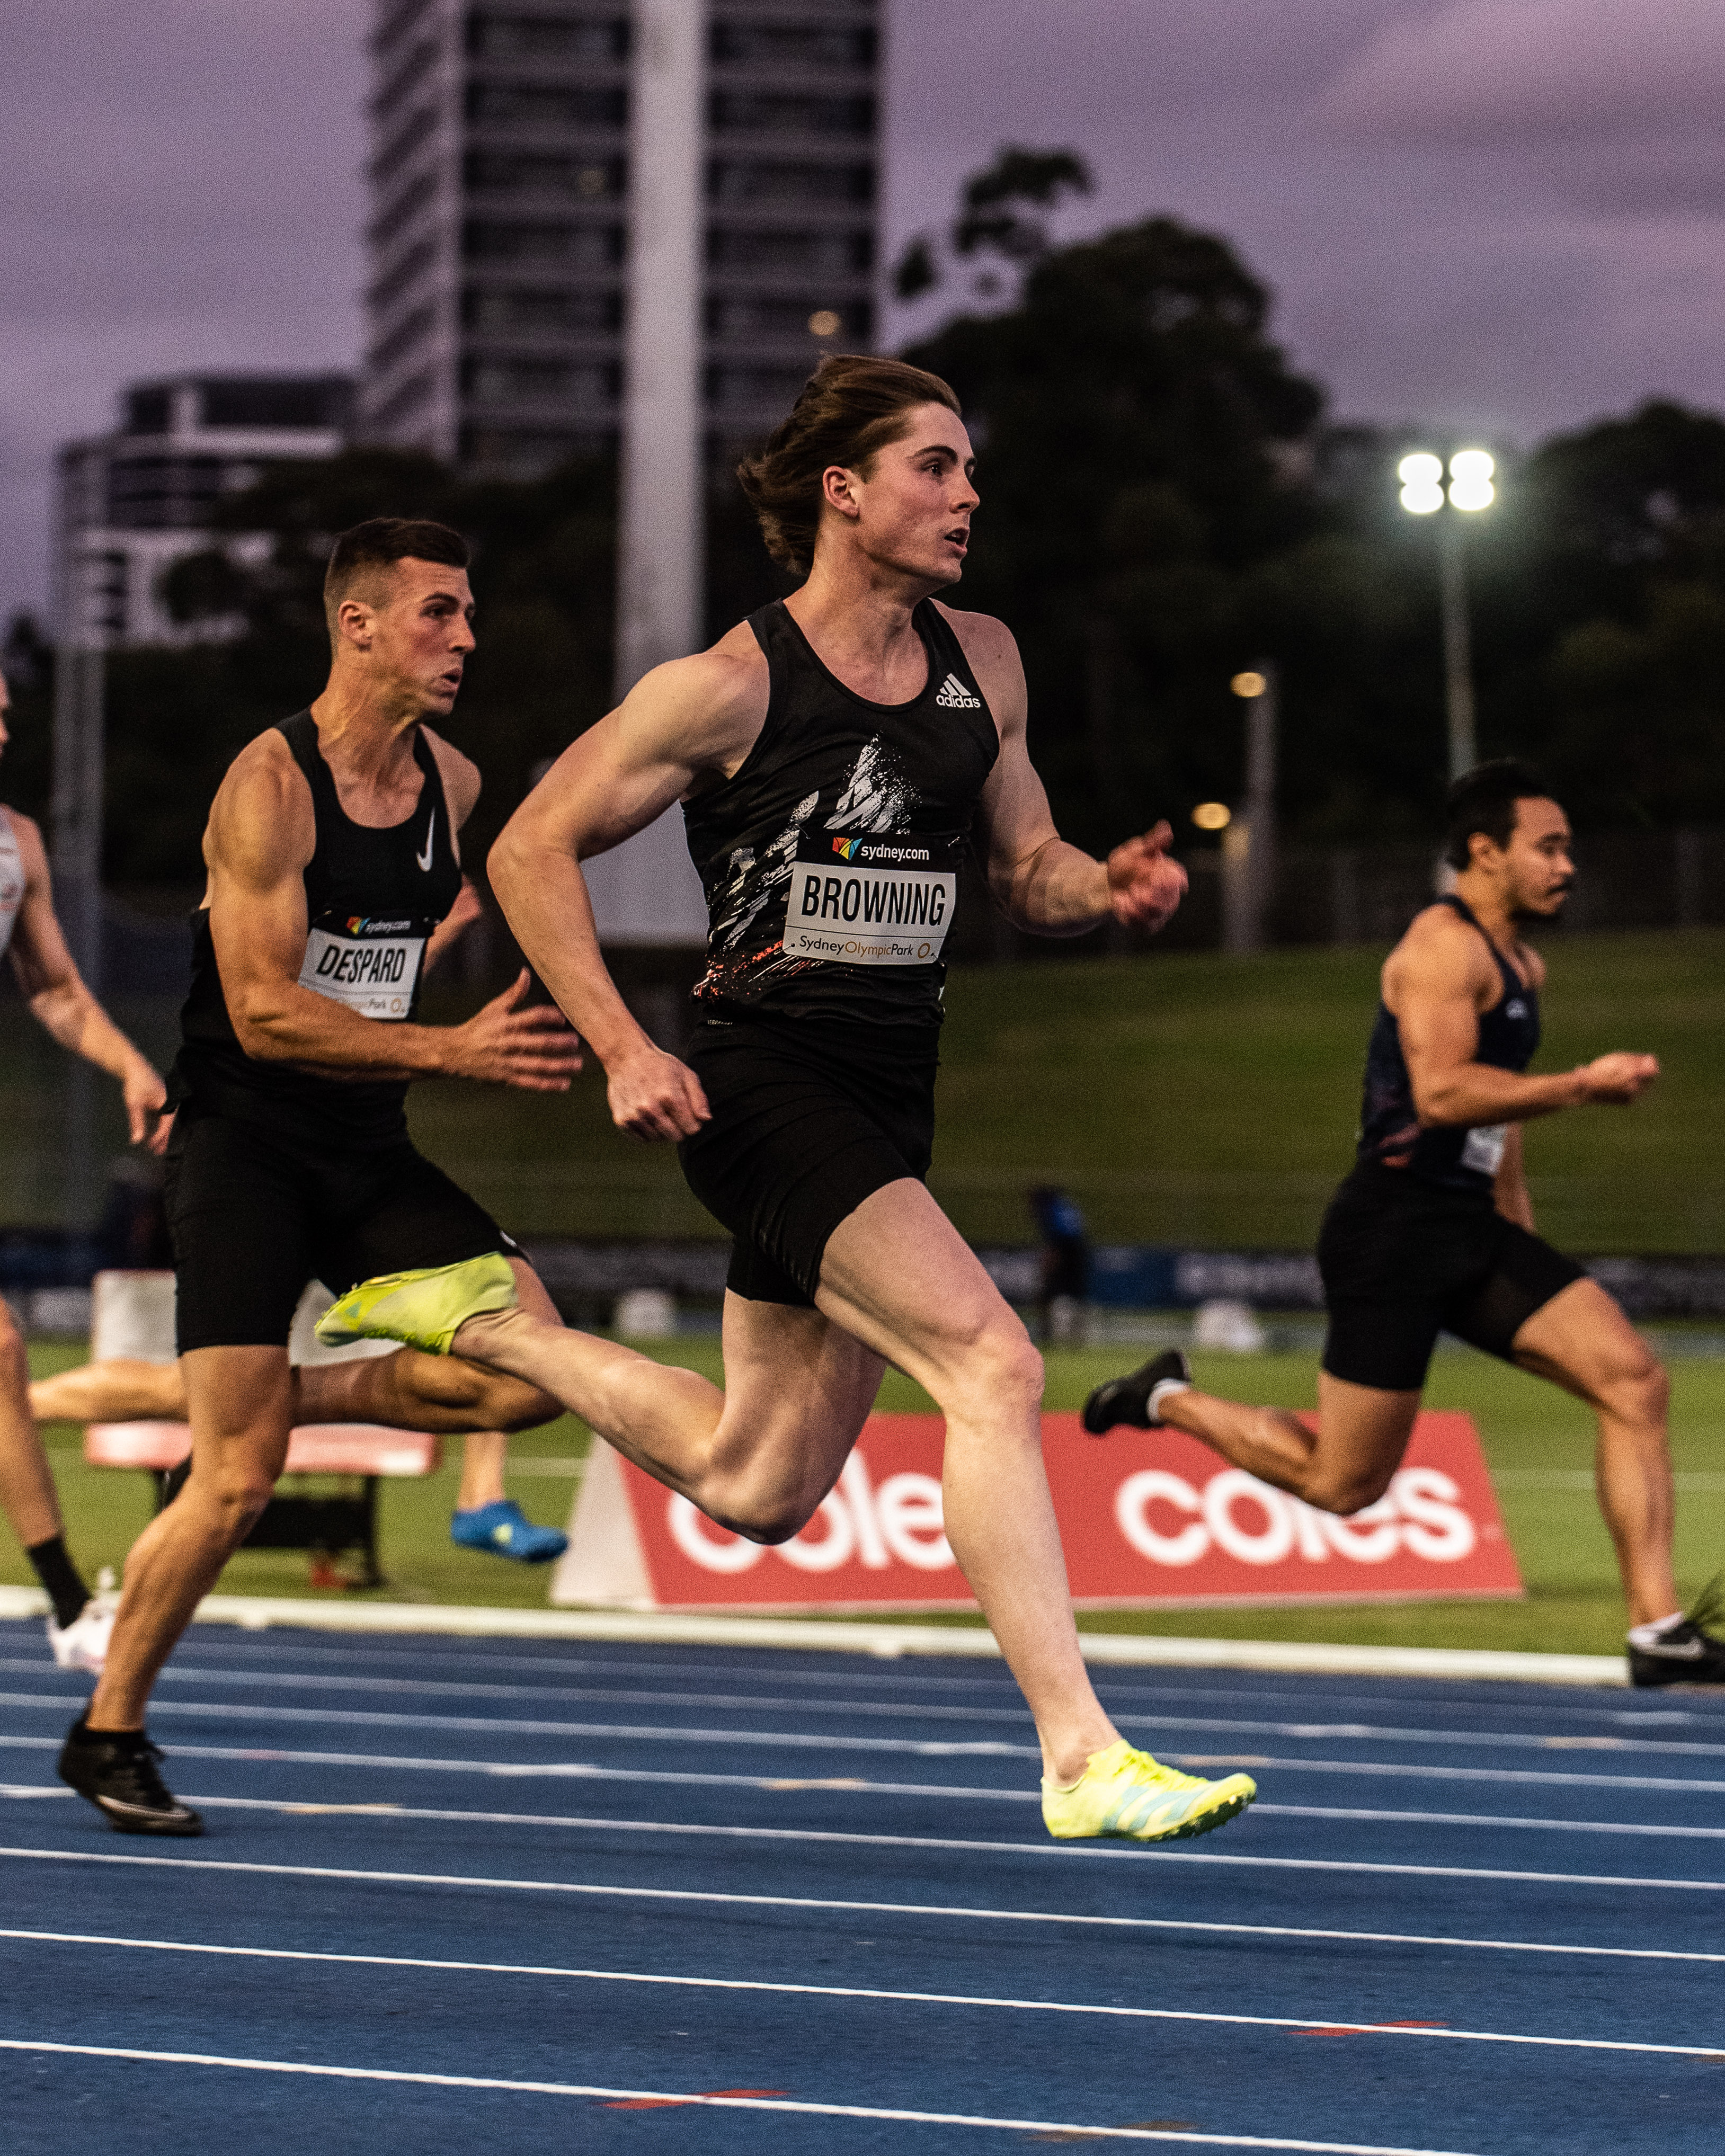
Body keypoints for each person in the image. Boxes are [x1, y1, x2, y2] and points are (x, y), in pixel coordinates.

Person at [315, 355, 1259, 1847]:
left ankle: (481, 1319)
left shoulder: (985, 661)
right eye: (935, 466)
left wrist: (1110, 886)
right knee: (995, 1365)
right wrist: (626, 1044)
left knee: (759, 1483)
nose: (967, 495)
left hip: (893, 1089)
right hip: (762, 1081)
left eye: (967, 467)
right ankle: (1078, 1748)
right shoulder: (728, 685)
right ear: (846, 490)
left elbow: (1029, 867)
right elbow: (526, 849)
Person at [57, 518, 582, 1836]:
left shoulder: (456, 784)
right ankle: (108, 1730)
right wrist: (451, 1044)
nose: (466, 638)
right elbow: (260, 1010)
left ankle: (286, 1388)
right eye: (438, 613)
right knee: (233, 1482)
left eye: (469, 614)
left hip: (368, 1149)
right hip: (245, 1151)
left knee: (528, 1373)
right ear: (357, 625)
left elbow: (414, 930)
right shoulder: (267, 786)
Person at [1084, 759, 1725, 1687]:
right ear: (1483, 851)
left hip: (1471, 1227)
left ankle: (1656, 1628)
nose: (1567, 866)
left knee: (1635, 1380)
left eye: (1569, 849)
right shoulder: (1440, 948)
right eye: (1547, 847)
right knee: (1341, 1484)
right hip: (1391, 1230)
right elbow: (1444, 1092)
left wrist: (1523, 1232)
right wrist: (1582, 1085)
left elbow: (1497, 1123)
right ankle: (1163, 1399)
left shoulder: (1523, 965)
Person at [37, 878, 568, 1567]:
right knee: (212, 1390)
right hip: (250, 1169)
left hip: (351, 1164)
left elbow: (371, 983)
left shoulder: (409, 822)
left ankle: (477, 1494)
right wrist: (448, 1037)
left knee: (501, 1322)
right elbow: (270, 1014)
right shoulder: (272, 826)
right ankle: (33, 1407)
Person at [0, 665, 171, 1672]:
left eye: (9, 710)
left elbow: (54, 988)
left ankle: (66, 1607)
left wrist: (130, 1064)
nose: (5, 725)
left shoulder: (17, 844)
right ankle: (67, 1610)